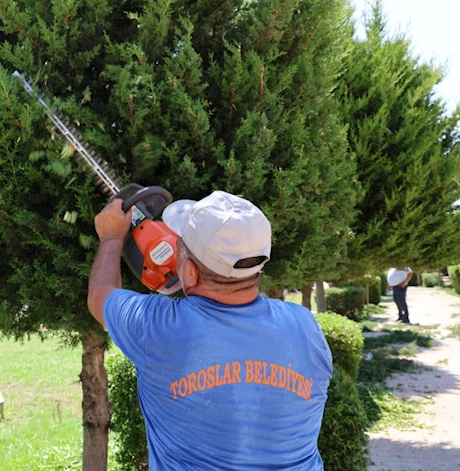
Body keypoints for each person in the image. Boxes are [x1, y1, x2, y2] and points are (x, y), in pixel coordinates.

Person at [88, 191, 333, 471]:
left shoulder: (159, 327)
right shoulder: (304, 325)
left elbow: (100, 296)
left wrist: (111, 238)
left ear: (191, 273)